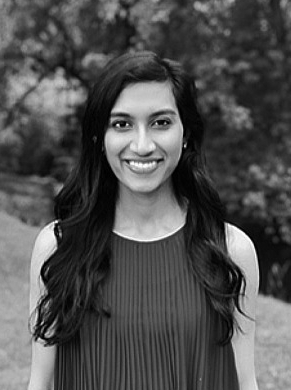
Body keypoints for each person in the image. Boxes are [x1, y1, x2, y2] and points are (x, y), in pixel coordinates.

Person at [28, 51, 259, 390]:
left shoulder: (231, 251)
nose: (142, 145)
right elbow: (40, 383)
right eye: (122, 124)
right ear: (100, 138)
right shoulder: (59, 248)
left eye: (160, 122)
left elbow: (245, 381)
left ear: (186, 134)